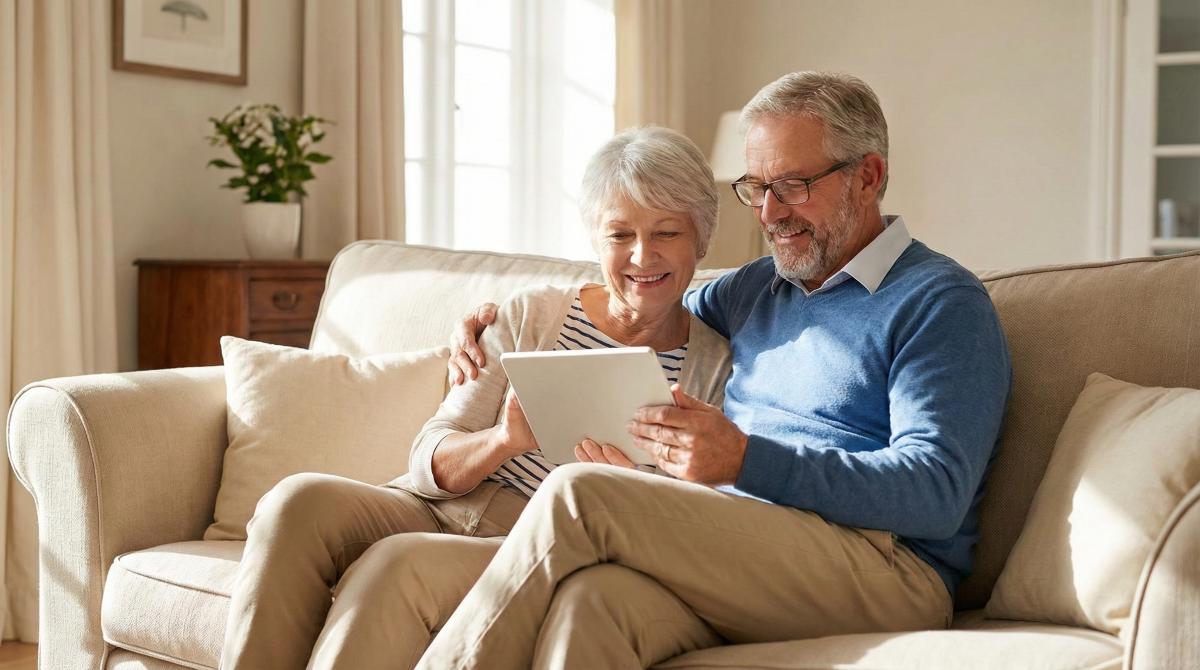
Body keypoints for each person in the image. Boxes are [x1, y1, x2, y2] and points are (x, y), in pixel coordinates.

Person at [419, 71, 1013, 669]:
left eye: (793, 185)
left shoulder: (940, 302)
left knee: (581, 494)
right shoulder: (759, 287)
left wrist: (744, 461)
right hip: (743, 540)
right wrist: (486, 323)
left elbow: (935, 491)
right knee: (595, 604)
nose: (769, 212)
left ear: (868, 176)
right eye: (756, 188)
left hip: (885, 569)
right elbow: (646, 300)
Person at [218, 125, 732, 670]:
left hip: (531, 540)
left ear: (701, 239)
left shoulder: (717, 367)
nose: (641, 256)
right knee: (293, 503)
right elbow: (427, 459)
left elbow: (682, 518)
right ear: (595, 238)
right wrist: (503, 440)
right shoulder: (533, 313)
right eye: (619, 234)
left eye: (666, 233)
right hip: (433, 504)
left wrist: (626, 482)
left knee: (398, 562)